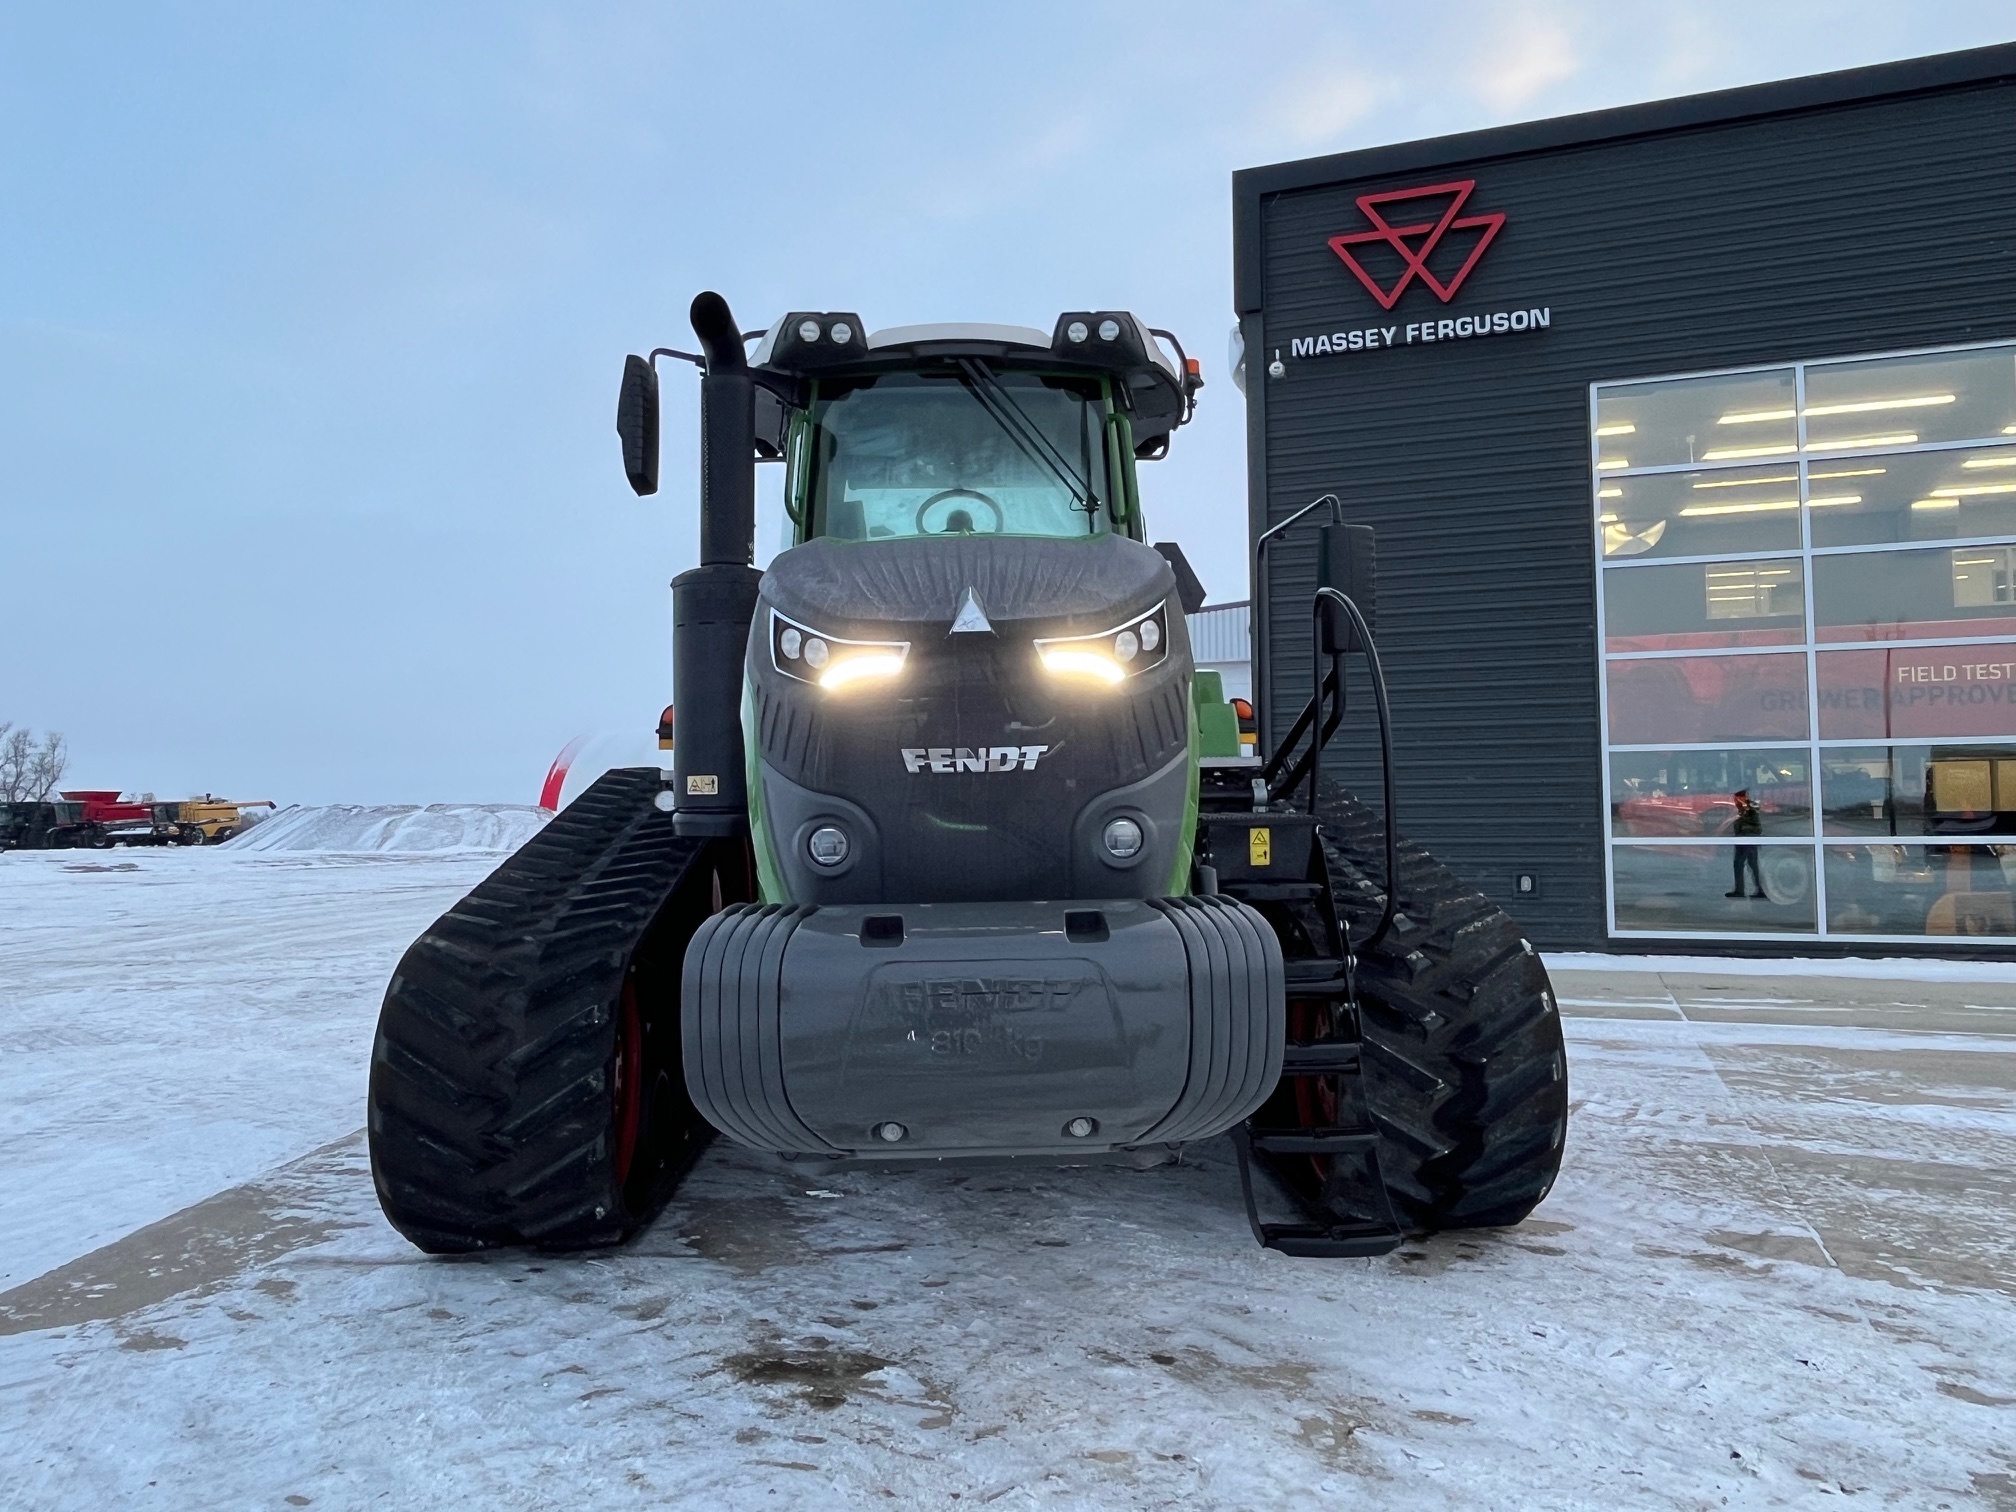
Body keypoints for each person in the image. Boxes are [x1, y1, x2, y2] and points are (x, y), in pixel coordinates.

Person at [1726, 789, 1766, 899]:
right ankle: (1741, 889)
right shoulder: (1741, 808)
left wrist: (1745, 805)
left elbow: (1754, 821)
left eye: (1737, 799)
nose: (1735, 802)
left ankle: (1760, 889)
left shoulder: (1751, 807)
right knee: (1740, 864)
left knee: (1751, 865)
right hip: (1741, 840)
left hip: (1749, 840)